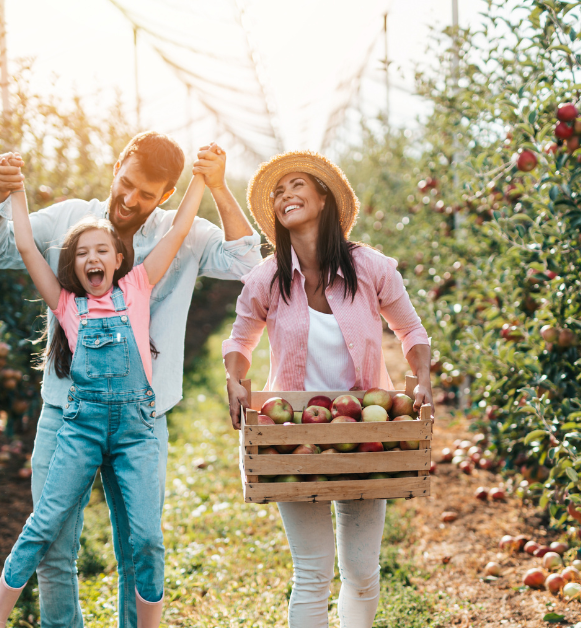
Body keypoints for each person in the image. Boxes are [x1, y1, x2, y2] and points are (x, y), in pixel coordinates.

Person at [0, 132, 261, 628]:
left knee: (139, 545)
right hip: (68, 411)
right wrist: (3, 190)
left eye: (145, 194)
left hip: (142, 417)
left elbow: (246, 263)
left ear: (165, 195)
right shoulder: (69, 221)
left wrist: (214, 185)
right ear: (116, 166)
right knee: (54, 545)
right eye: (125, 183)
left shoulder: (181, 233)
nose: (129, 199)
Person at [221, 151, 433, 627]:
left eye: (296, 185)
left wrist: (422, 378)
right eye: (277, 192)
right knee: (313, 571)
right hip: (295, 434)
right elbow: (239, 339)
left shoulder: (371, 267)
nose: (285, 195)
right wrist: (235, 379)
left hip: (364, 433)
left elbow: (412, 332)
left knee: (360, 572)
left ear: (323, 198)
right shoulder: (267, 278)